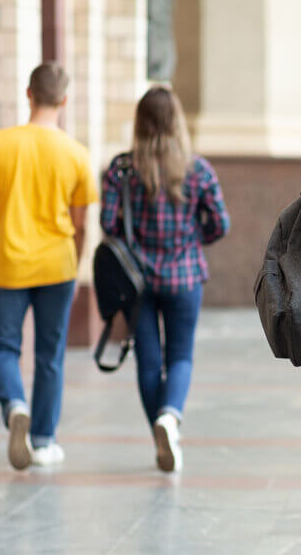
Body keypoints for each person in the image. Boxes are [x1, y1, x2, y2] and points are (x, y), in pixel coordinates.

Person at [0, 62, 99, 470]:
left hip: (7, 263)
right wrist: (76, 253)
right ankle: (44, 440)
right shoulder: (76, 153)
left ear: (28, 94)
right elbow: (83, 221)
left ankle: (15, 406)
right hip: (58, 264)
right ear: (64, 100)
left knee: (2, 348)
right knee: (51, 354)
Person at [100, 86, 229, 473]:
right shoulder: (198, 169)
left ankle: (161, 427)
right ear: (176, 121)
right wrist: (193, 241)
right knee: (180, 355)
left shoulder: (121, 170)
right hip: (185, 276)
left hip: (137, 281)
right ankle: (169, 418)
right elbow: (220, 224)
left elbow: (109, 225)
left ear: (139, 122)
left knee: (148, 357)